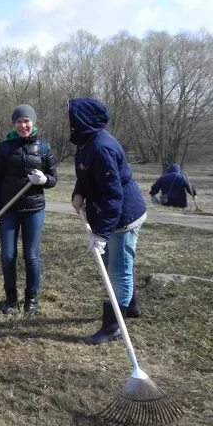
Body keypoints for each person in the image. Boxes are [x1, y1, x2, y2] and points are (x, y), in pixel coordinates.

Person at [67, 98, 147, 345]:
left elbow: (114, 196)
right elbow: (86, 174)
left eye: (68, 116)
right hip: (108, 213)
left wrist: (101, 233)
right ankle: (129, 306)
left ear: (82, 120)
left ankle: (113, 327)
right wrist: (79, 192)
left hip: (124, 217)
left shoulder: (102, 148)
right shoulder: (86, 142)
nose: (65, 121)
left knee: (118, 270)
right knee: (116, 264)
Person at [0, 104, 58, 316]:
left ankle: (31, 299)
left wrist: (44, 180)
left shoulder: (44, 148)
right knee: (8, 255)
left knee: (31, 256)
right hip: (8, 210)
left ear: (33, 122)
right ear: (14, 124)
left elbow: (54, 179)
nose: (23, 125)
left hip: (34, 210)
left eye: (26, 121)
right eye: (19, 121)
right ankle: (10, 298)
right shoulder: (4, 147)